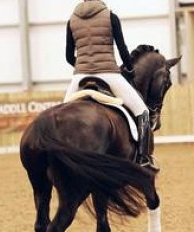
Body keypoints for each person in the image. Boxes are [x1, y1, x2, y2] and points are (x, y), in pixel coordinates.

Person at [64, 0, 158, 171]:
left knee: (62, 115)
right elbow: (122, 48)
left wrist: (83, 67)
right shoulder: (110, 16)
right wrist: (129, 67)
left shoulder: (72, 20)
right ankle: (144, 158)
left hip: (80, 76)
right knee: (142, 111)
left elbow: (69, 56)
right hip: (108, 73)